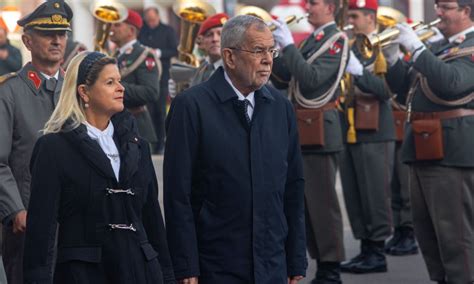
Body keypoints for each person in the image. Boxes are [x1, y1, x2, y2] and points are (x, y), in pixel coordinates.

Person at [164, 15, 307, 284]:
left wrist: (296, 256)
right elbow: (178, 195)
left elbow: (293, 187)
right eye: (258, 51)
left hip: (271, 262)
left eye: (271, 50)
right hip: (216, 263)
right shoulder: (192, 107)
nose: (268, 59)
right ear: (229, 57)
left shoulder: (280, 108)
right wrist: (185, 265)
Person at [23, 51, 174, 284]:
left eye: (120, 81)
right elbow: (41, 233)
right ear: (84, 91)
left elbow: (153, 221)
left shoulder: (138, 147)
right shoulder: (54, 147)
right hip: (84, 275)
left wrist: (167, 276)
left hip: (140, 272)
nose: (121, 88)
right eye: (110, 82)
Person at [383, 0, 474, 282]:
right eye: (436, 6)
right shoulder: (440, 47)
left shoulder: (469, 48)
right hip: (423, 143)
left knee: (455, 233)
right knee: (428, 230)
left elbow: (452, 82)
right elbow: (403, 91)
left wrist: (418, 49)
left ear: (466, 11)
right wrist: (393, 59)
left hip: (452, 149)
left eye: (445, 6)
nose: (438, 12)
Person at [271, 0, 349, 282]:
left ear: (329, 7)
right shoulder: (314, 40)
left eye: (313, 3)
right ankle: (318, 260)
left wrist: (289, 46)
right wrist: (274, 49)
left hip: (319, 130)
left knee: (323, 202)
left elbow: (312, 80)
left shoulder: (336, 40)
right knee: (303, 202)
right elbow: (282, 79)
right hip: (300, 126)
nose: (308, 8)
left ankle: (331, 266)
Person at [0, 1, 71, 283]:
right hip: (28, 224)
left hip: (75, 225)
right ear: (27, 41)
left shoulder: (78, 90)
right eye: (47, 33)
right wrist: (15, 209)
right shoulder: (10, 92)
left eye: (62, 33)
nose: (57, 40)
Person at [339, 0, 396, 274]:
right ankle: (365, 249)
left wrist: (359, 72)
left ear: (371, 18)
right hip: (349, 129)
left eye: (355, 16)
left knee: (374, 194)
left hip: (374, 130)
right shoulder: (352, 47)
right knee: (355, 193)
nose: (350, 21)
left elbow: (386, 91)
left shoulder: (384, 46)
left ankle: (377, 252)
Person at [109, 9, 161, 147]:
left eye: (117, 25)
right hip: (115, 124)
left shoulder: (144, 54)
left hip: (136, 127)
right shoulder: (115, 55)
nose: (111, 28)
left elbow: (151, 92)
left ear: (131, 30)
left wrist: (113, 87)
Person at [139, 4, 178, 154]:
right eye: (148, 20)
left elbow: (174, 50)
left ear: (158, 17)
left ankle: (161, 143)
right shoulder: (142, 31)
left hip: (162, 76)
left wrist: (158, 53)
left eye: (153, 20)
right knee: (147, 111)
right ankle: (151, 143)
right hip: (145, 76)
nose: (151, 23)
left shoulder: (168, 31)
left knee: (160, 111)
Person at [168, 13, 229, 97]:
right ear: (202, 42)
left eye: (220, 34)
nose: (215, 39)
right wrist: (179, 94)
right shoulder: (201, 68)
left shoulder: (234, 70)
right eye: (209, 35)